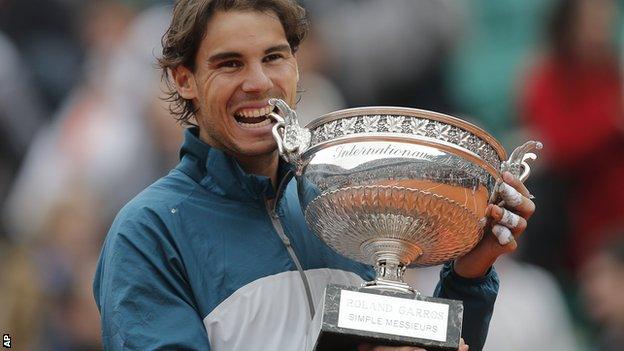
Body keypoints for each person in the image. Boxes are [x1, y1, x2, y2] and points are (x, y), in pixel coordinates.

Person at [93, 1, 536, 350]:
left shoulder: (342, 199)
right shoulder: (148, 231)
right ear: (184, 78)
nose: (258, 82)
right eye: (230, 64)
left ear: (297, 66)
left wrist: (469, 276)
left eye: (274, 57)